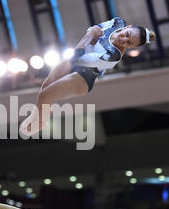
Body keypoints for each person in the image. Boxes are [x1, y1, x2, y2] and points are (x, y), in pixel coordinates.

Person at [19, 17, 156, 136]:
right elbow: (93, 28)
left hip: (84, 77)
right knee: (44, 88)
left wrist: (90, 36)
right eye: (128, 34)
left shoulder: (112, 55)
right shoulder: (117, 23)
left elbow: (78, 58)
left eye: (129, 42)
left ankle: (39, 122)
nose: (124, 39)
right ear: (128, 27)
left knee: (45, 95)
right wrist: (90, 34)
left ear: (130, 47)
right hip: (76, 60)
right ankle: (38, 120)